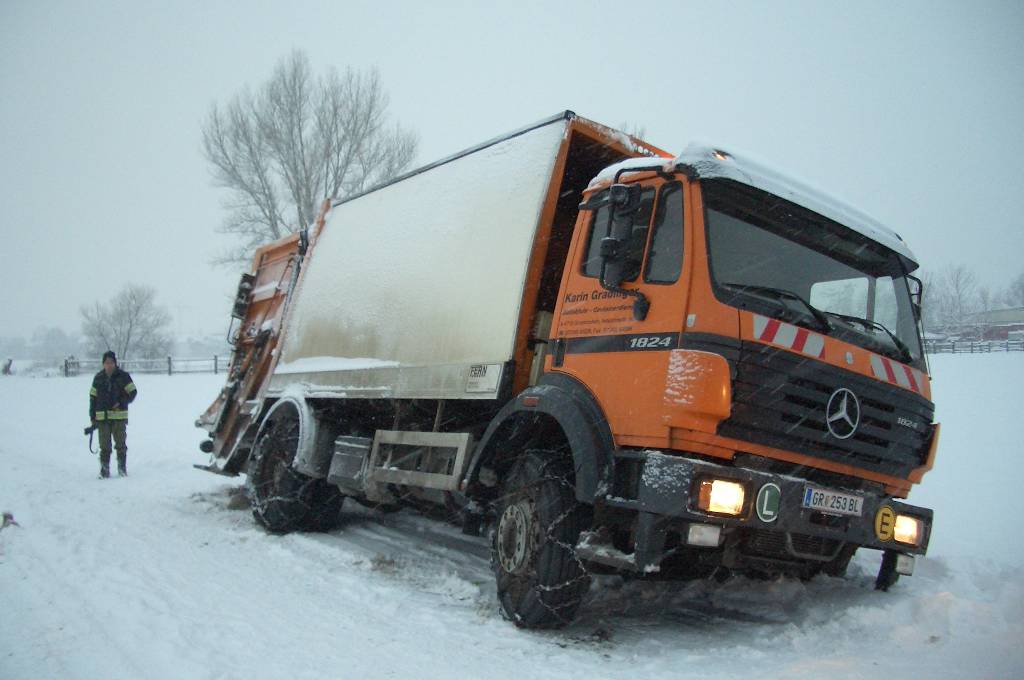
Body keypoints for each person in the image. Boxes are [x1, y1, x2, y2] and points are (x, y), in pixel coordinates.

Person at [89, 351, 137, 478]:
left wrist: (121, 403)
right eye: (106, 363)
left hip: (119, 418)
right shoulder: (98, 378)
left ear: (115, 363)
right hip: (102, 419)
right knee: (104, 446)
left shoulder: (123, 377)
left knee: (120, 445)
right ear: (103, 364)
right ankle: (104, 471)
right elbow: (93, 398)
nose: (109, 365)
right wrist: (92, 416)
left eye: (111, 362)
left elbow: (133, 392)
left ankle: (122, 469)